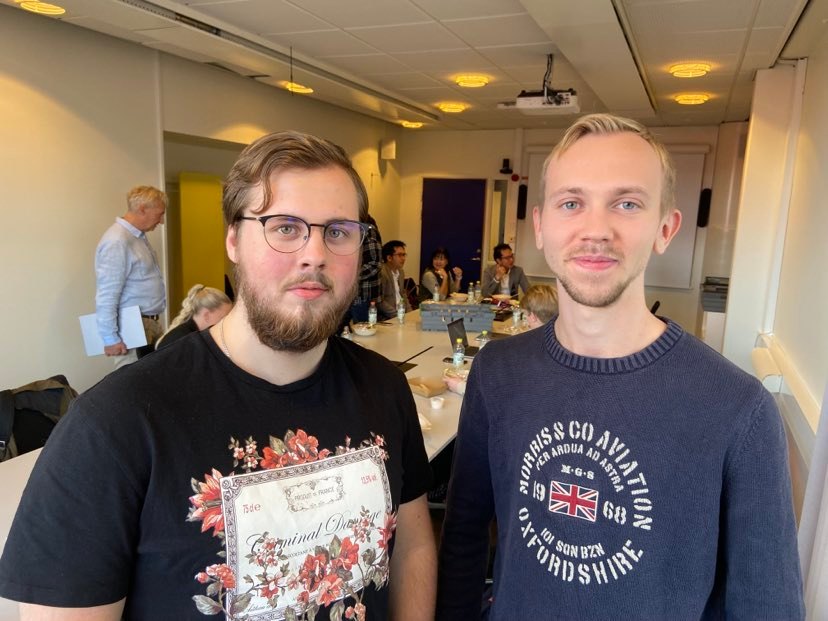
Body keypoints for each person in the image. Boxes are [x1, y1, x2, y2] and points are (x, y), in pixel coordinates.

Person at [0, 131, 436, 620]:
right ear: (233, 239)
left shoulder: (383, 386)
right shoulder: (114, 423)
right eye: (285, 227)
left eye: (337, 231)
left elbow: (413, 541)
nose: (315, 254)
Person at [437, 114, 804, 619]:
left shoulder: (737, 409)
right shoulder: (498, 372)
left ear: (665, 228)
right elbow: (463, 538)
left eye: (626, 204)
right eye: (572, 203)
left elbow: (766, 606)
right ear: (541, 227)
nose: (595, 230)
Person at [95, 185, 168, 368]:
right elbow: (107, 293)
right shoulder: (117, 240)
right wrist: (110, 338)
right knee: (132, 383)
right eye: (159, 214)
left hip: (147, 323)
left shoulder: (137, 238)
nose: (161, 221)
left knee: (151, 380)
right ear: (142, 209)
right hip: (132, 326)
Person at [155, 284, 232, 350]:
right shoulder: (185, 341)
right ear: (207, 315)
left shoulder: (192, 336)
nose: (227, 323)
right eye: (223, 318)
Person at [345, 213, 382, 324]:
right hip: (356, 294)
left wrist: (349, 277)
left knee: (363, 334)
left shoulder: (368, 231)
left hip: (364, 295)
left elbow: (374, 264)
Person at [378, 240, 411, 320]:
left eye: (404, 255)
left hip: (401, 314)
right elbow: (380, 301)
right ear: (389, 257)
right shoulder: (382, 273)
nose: (403, 258)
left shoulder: (401, 271)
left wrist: (410, 312)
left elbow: (403, 294)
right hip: (387, 318)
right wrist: (397, 315)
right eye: (400, 255)